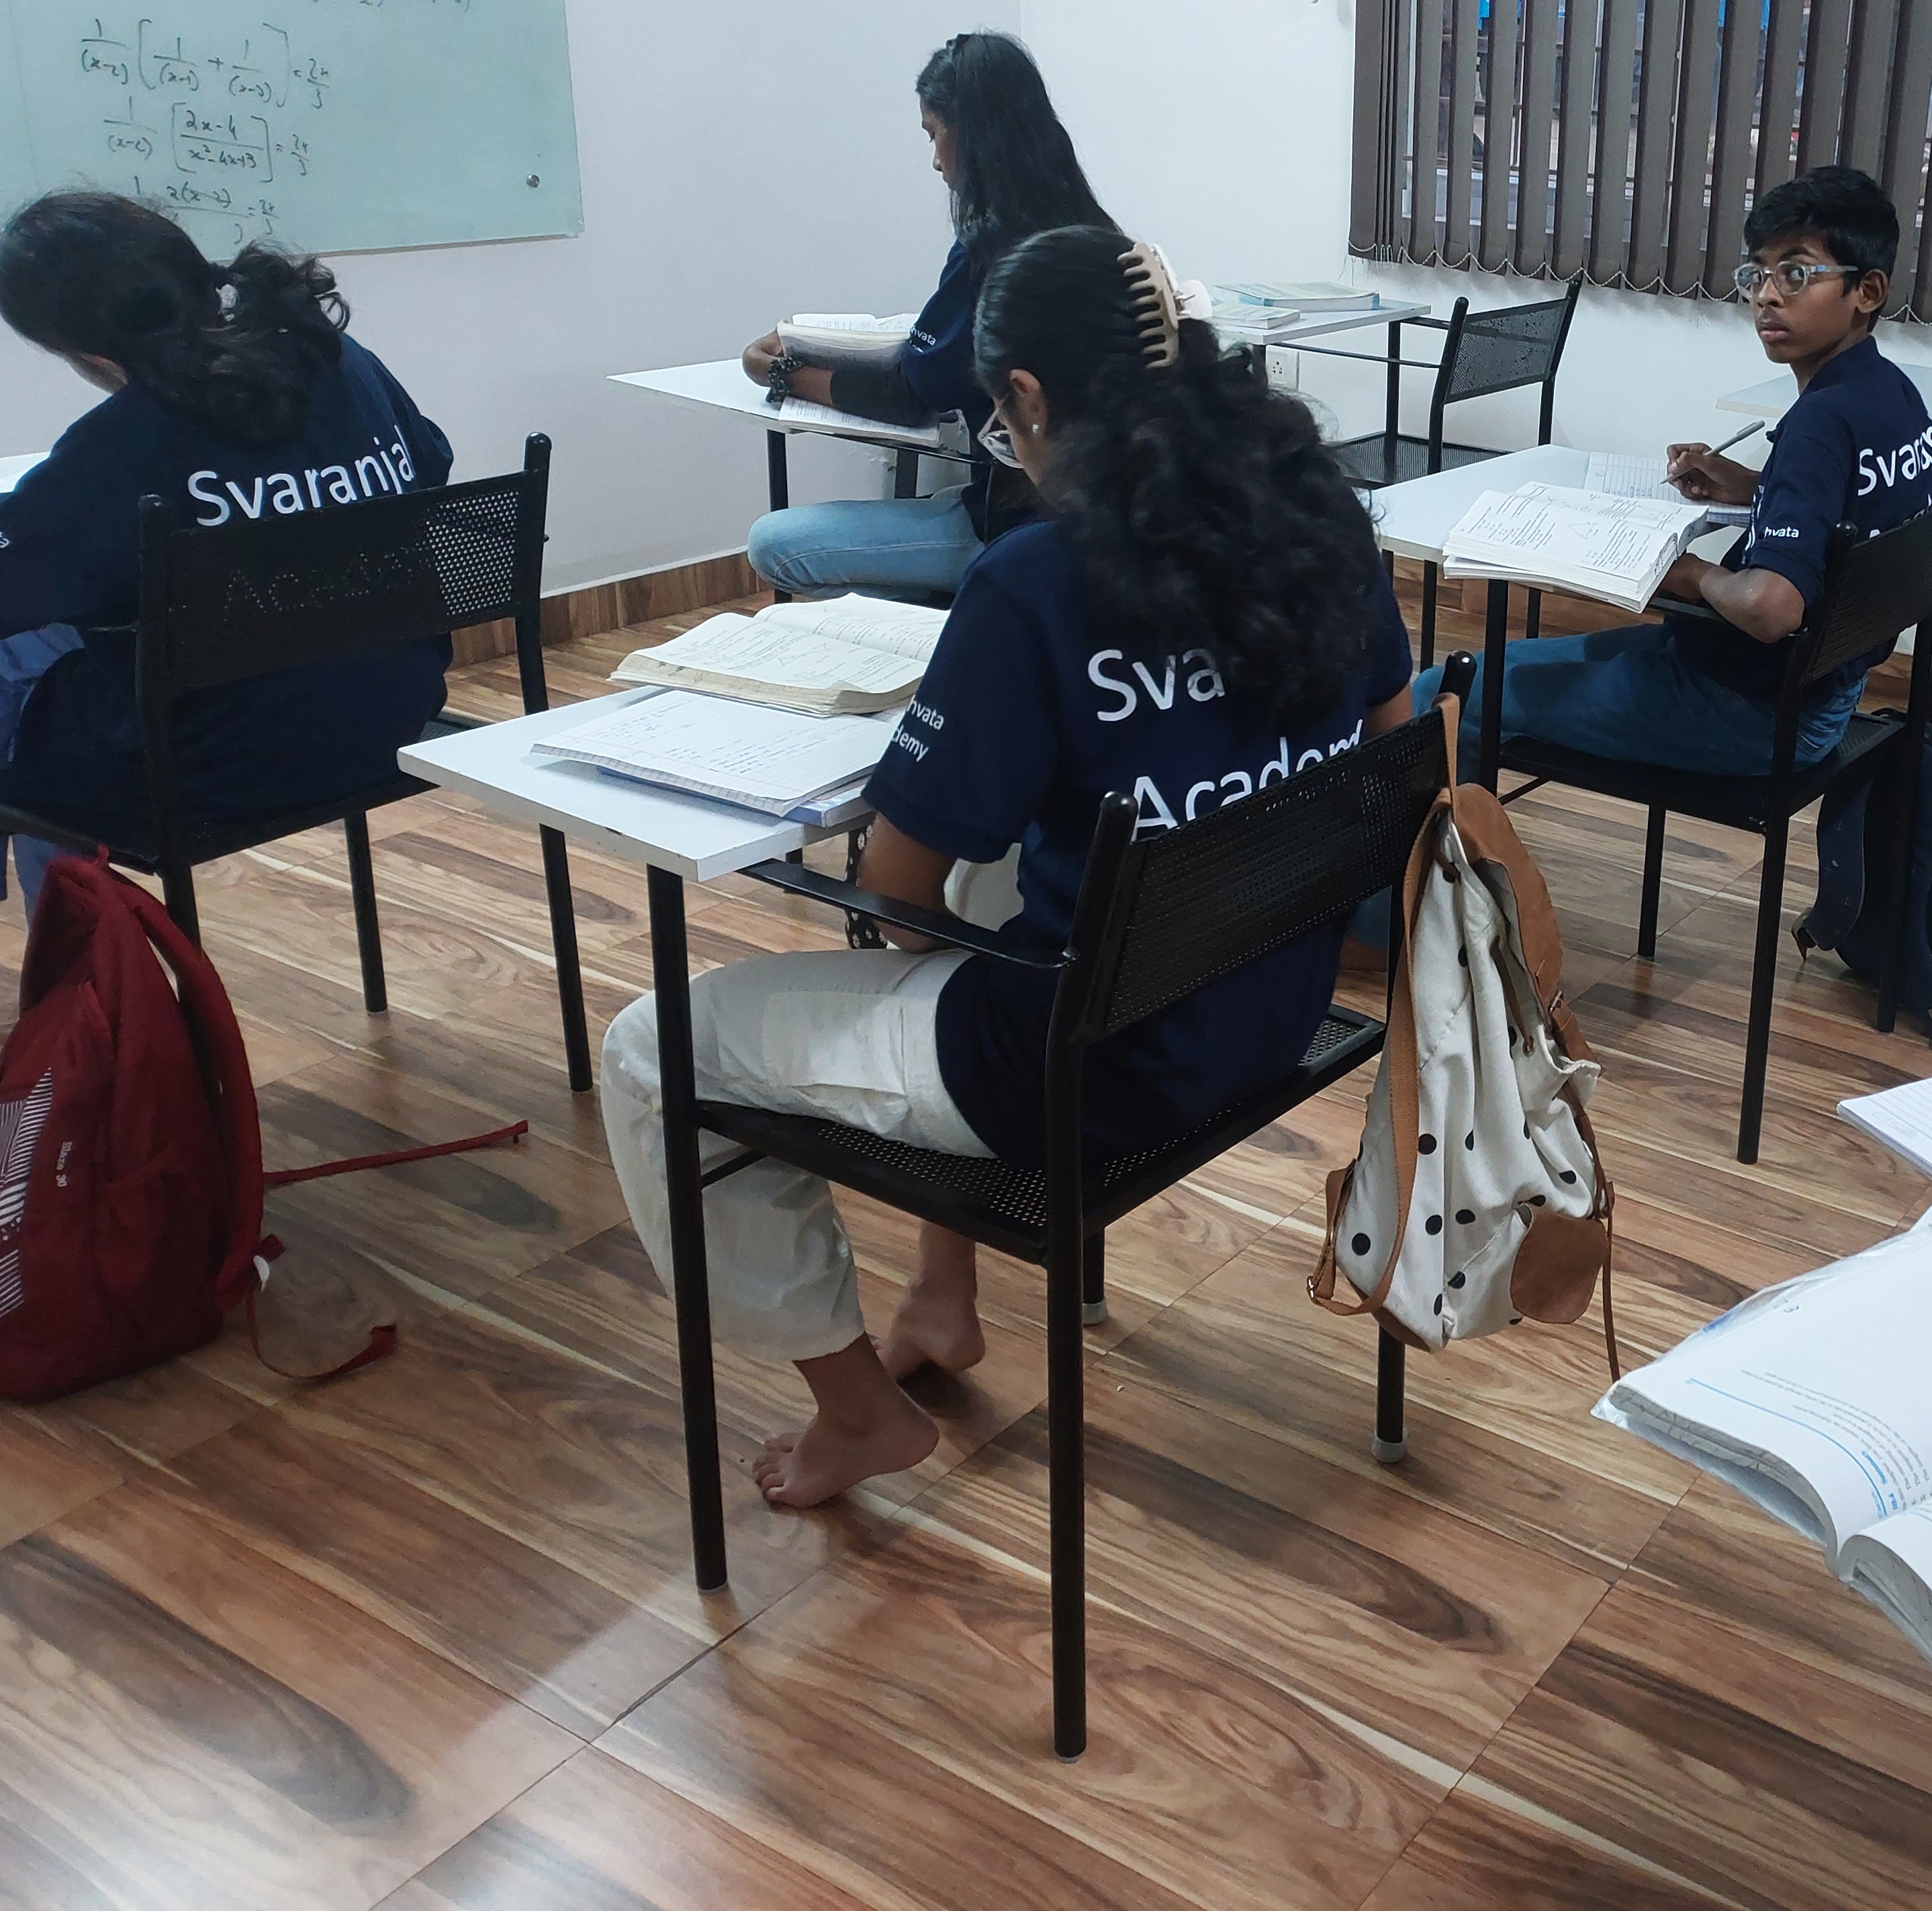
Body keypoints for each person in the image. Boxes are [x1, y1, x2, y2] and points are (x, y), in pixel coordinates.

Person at [602, 227, 1414, 1509]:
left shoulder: (1037, 577)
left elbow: (897, 885)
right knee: (1009, 878)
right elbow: (1386, 753)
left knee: (654, 1052)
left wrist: (928, 891)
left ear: (1026, 396)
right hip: (1269, 1000)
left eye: (996, 414)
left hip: (1093, 1071)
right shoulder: (1317, 516)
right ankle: (939, 1295)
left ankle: (857, 1414)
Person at [0, 191, 455, 916]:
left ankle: (62, 959)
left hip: (224, 757)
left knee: (6, 679)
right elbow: (430, 459)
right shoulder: (335, 359)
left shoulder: (127, 440)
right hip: (392, 699)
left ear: (87, 352)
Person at [1401, 162, 1932, 772]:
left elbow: (1771, 609)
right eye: (1757, 274)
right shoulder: (1891, 395)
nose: (1766, 296)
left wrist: (1685, 573)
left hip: (1746, 708)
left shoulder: (1821, 422)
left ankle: (1454, 833)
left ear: (1867, 291)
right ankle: (1472, 824)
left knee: (1444, 693)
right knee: (1484, 674)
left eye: (1796, 274)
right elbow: (1852, 516)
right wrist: (1753, 486)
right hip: (1805, 688)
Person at [738, 30, 1115, 601]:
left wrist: (779, 372)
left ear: (976, 136)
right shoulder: (1098, 235)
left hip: (1018, 525)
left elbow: (916, 393)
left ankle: (972, 611)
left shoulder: (990, 251)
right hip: (1088, 521)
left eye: (935, 134)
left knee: (774, 543)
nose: (936, 160)